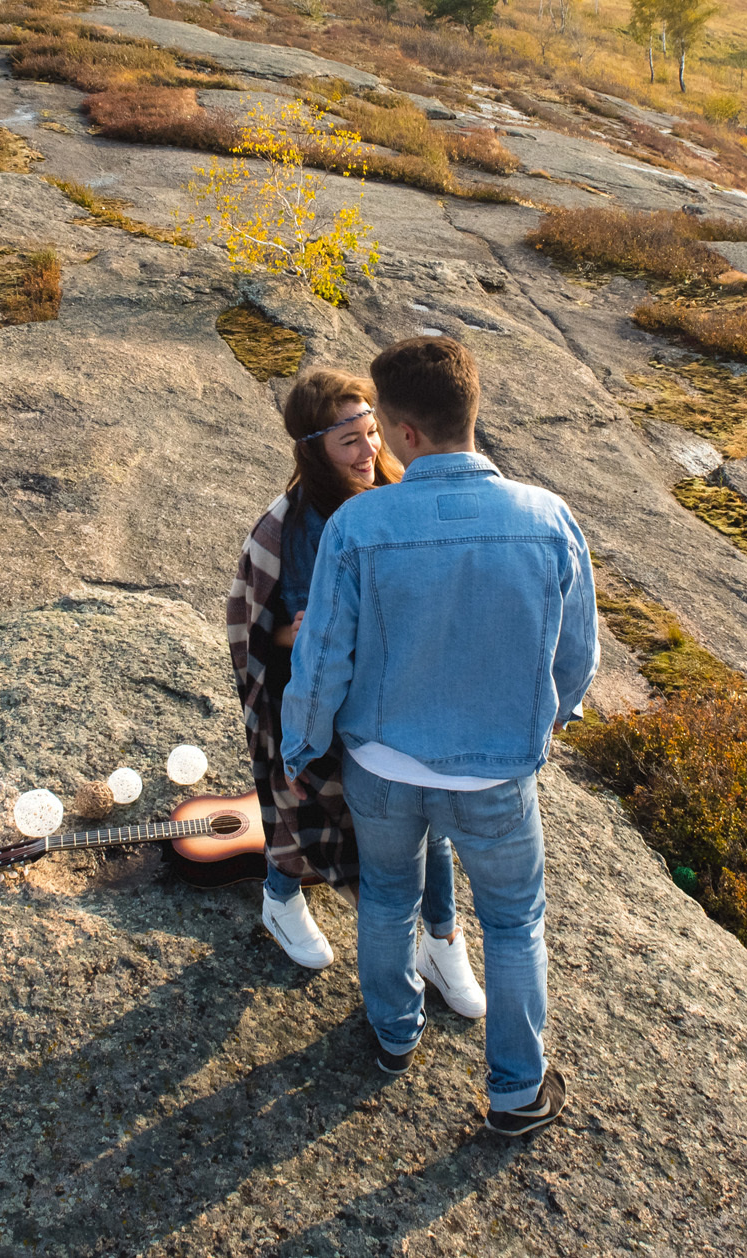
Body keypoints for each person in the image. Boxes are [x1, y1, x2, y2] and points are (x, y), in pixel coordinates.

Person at [282, 336, 596, 1139]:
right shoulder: (548, 517)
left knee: (386, 898)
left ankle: (393, 1037)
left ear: (407, 432)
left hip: (381, 766)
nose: (377, 440)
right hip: (496, 775)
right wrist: (548, 720)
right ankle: (517, 1093)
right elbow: (576, 656)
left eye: (382, 425)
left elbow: (322, 661)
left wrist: (301, 743)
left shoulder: (358, 526)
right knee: (516, 923)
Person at [226, 369, 486, 1021]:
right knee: (304, 809)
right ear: (315, 449)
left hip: (397, 694)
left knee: (429, 818)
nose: (369, 451)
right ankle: (281, 897)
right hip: (326, 703)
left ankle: (441, 941)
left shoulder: (394, 493)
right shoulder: (307, 529)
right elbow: (286, 634)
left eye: (372, 433)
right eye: (350, 442)